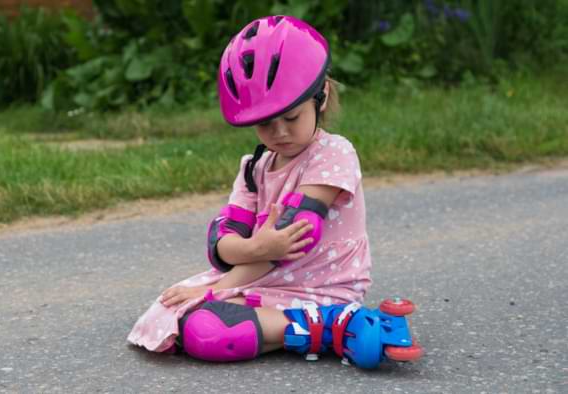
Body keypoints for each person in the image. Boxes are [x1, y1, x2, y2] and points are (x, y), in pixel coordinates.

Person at [127, 15, 421, 369]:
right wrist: (253, 248)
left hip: (324, 289)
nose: (280, 132)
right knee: (181, 318)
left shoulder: (333, 153)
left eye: (292, 118)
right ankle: (318, 330)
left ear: (321, 96)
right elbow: (222, 243)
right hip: (267, 278)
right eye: (266, 122)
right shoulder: (255, 167)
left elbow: (293, 239)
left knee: (210, 331)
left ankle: (337, 323)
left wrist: (216, 288)